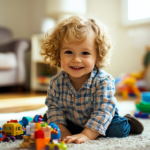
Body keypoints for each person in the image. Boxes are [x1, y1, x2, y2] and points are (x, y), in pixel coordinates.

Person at [41, 15, 144, 144]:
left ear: (98, 56)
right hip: (72, 120)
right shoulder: (56, 82)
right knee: (47, 119)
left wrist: (86, 135)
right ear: (58, 54)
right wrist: (64, 132)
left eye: (85, 53)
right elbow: (54, 108)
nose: (76, 59)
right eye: (68, 52)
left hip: (102, 117)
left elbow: (103, 110)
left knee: (117, 130)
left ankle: (128, 121)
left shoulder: (103, 80)